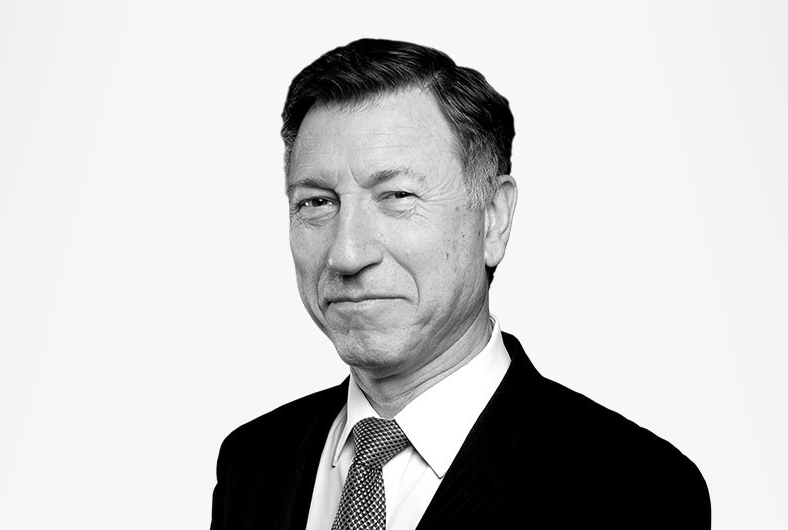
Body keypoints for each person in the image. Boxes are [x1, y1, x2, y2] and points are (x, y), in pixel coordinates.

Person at [210, 38, 710, 529]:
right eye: (317, 202)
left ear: (493, 219)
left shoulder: (635, 491)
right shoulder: (252, 463)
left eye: (397, 196)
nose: (347, 254)